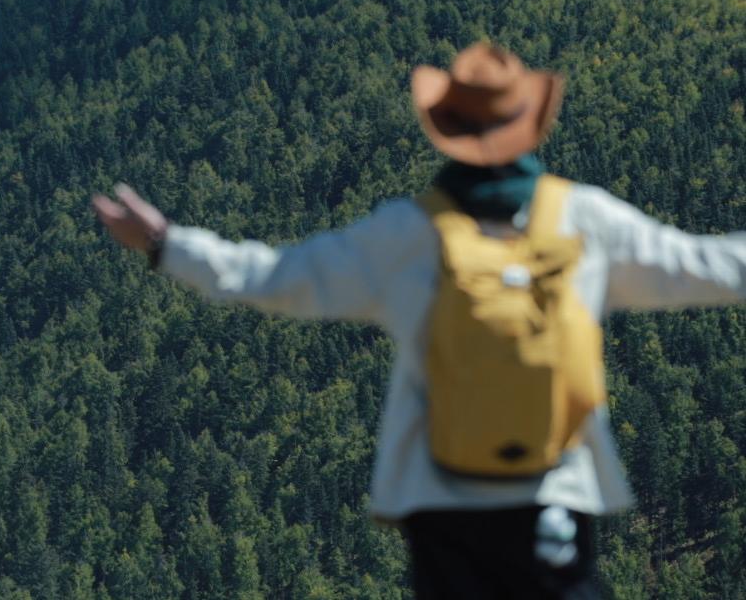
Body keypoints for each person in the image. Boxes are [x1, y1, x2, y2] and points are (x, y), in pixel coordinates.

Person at [92, 42, 746, 599]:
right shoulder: (587, 223)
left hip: (440, 501)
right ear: (532, 124)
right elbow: (709, 265)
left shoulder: (407, 235)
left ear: (449, 130)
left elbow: (273, 279)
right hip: (557, 491)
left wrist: (165, 244)